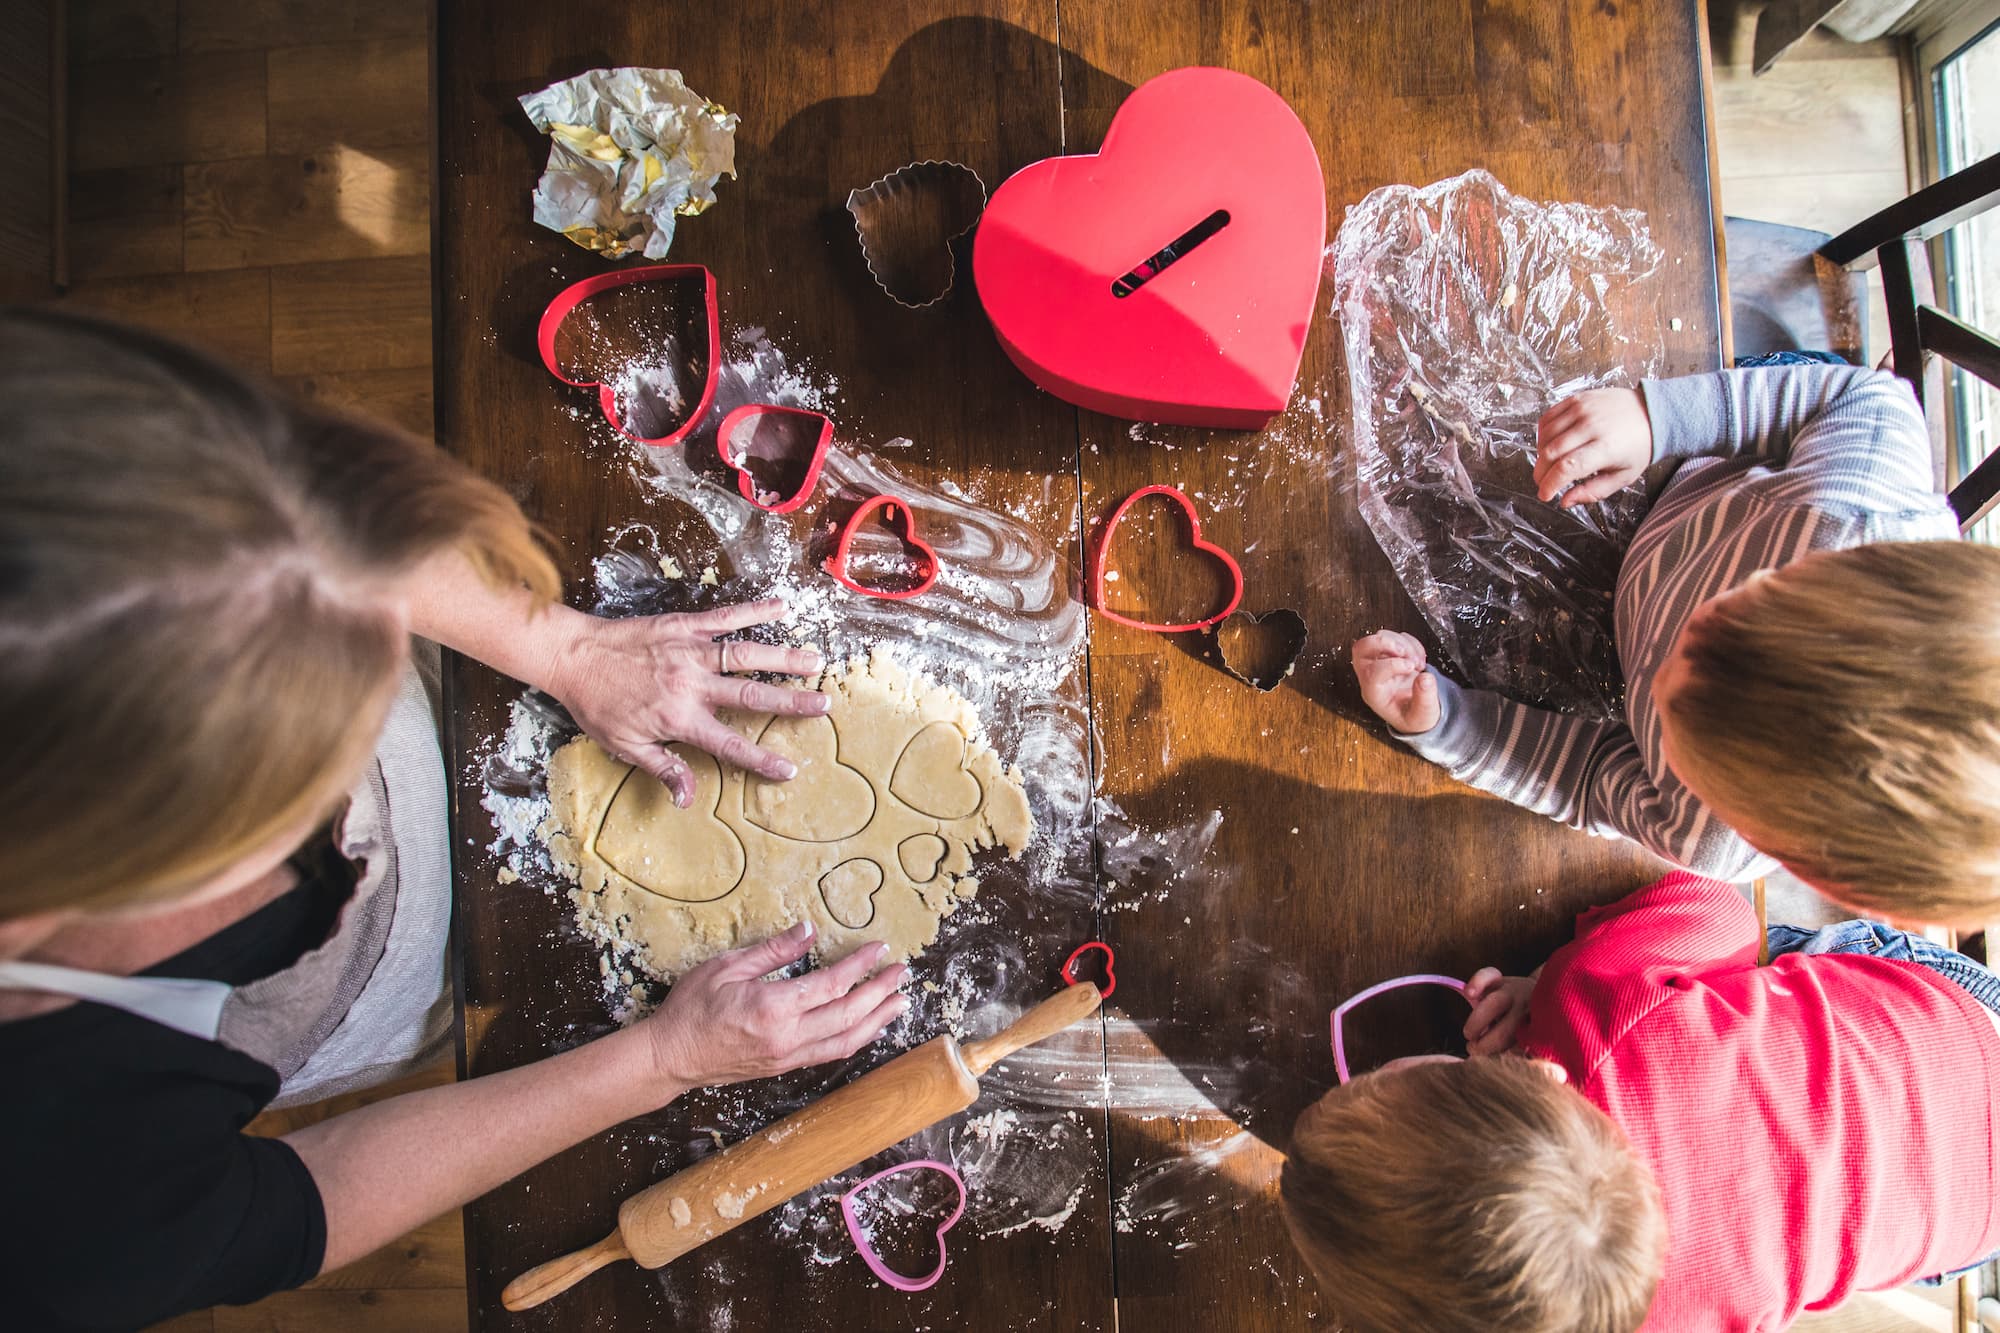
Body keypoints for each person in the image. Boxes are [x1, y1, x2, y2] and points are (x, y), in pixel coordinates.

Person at [0, 308, 909, 1329]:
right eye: (293, 796)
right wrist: (658, 1061)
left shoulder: (42, 489)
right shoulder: (49, 1227)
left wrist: (559, 649)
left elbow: (311, 518)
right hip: (396, 994)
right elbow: (308, 1201)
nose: (353, 824)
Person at [1352, 364, 2000, 923]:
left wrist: (1453, 724)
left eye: (1676, 719)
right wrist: (1657, 419)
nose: (1665, 675)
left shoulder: (1707, 840)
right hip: (1708, 477)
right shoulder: (1852, 510)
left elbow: (1587, 777)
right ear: (1812, 568)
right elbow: (1858, 397)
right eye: (1730, 607)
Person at [1280, 871, 2000, 1333]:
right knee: (1736, 969)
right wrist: (1557, 973)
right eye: (1373, 1081)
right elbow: (1721, 910)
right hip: (1958, 1035)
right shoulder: (1599, 1000)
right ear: (1534, 1077)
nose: (1360, 1076)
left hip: (1969, 1210)